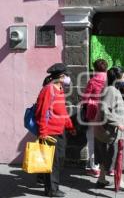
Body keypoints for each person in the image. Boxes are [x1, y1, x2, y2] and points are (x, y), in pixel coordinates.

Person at [35, 63, 76, 197]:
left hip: (60, 130)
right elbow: (42, 112)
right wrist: (43, 133)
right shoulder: (49, 90)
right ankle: (52, 190)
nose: (68, 78)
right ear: (61, 76)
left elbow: (62, 111)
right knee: (53, 161)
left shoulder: (59, 89)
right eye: (67, 75)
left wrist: (70, 126)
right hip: (51, 132)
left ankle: (47, 181)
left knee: (59, 159)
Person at [94, 67, 124, 192]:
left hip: (105, 132)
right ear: (117, 78)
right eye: (123, 77)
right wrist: (117, 123)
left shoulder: (112, 89)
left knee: (104, 157)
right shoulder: (111, 90)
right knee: (117, 158)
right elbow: (104, 110)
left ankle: (101, 179)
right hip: (112, 133)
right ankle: (120, 182)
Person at [82, 59, 108, 178]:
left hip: (94, 113)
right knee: (106, 139)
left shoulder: (92, 80)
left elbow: (86, 98)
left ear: (94, 68)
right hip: (108, 113)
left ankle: (94, 167)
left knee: (92, 139)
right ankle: (108, 167)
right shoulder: (110, 79)